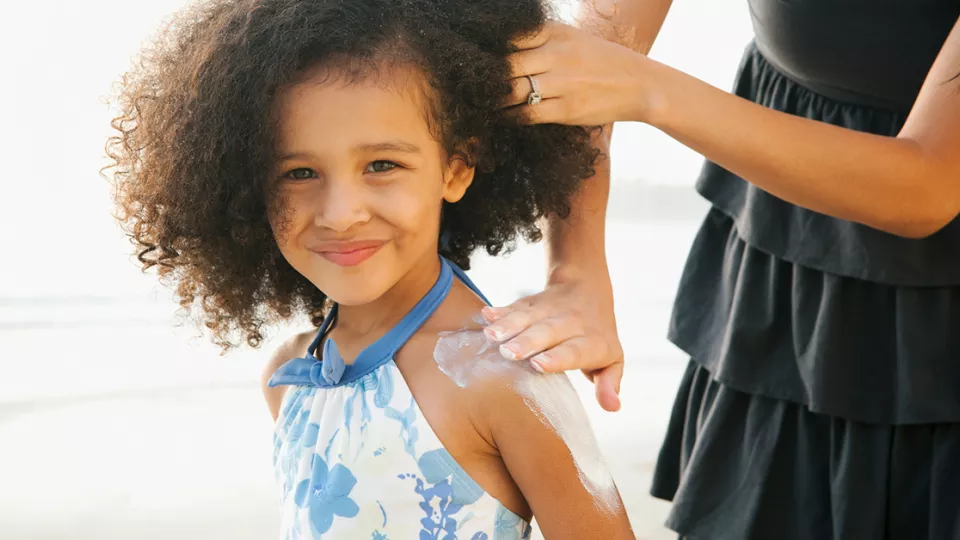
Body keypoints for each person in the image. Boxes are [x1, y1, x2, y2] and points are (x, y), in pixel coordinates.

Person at [104, 0, 637, 538]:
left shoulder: (506, 377)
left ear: (455, 169)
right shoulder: (289, 378)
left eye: (382, 165)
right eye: (300, 172)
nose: (341, 213)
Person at [481, 0, 960, 538]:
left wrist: (649, 89)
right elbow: (593, 51)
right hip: (778, 268)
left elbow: (928, 186)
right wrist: (575, 269)